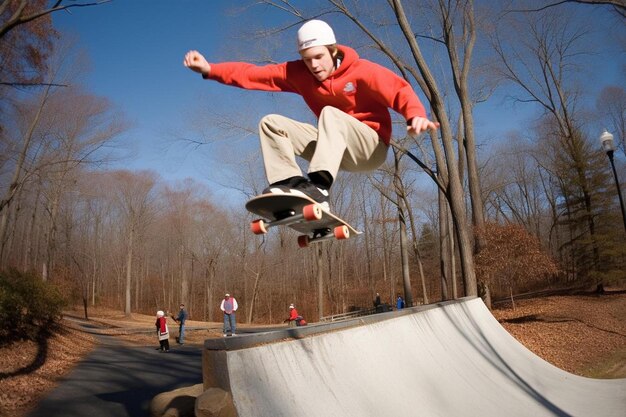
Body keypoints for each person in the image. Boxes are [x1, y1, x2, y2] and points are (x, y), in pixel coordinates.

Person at [183, 19, 438, 209]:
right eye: (307, 59)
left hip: (370, 148)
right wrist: (210, 69)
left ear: (333, 51)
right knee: (272, 124)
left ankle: (319, 187)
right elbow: (254, 74)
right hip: (336, 151)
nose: (314, 66)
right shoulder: (299, 74)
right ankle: (290, 185)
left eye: (318, 57)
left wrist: (414, 115)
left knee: (330, 113)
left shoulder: (362, 71)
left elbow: (399, 90)